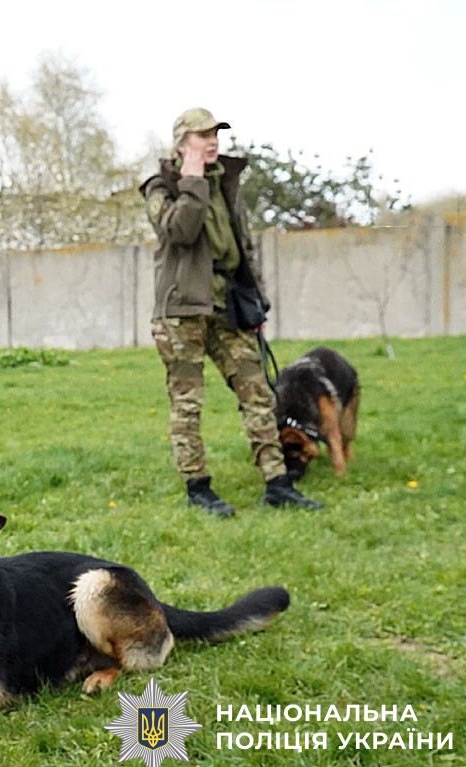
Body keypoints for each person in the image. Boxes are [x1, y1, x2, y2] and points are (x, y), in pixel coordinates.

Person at [140, 107, 321, 517]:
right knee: (187, 403)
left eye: (215, 134)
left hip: (228, 306)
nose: (212, 141)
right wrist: (191, 180)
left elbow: (243, 247)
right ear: (182, 143)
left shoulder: (227, 183)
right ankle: (198, 487)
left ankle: (278, 483)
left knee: (258, 393)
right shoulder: (160, 187)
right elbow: (180, 231)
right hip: (181, 313)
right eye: (203, 135)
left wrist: (257, 299)